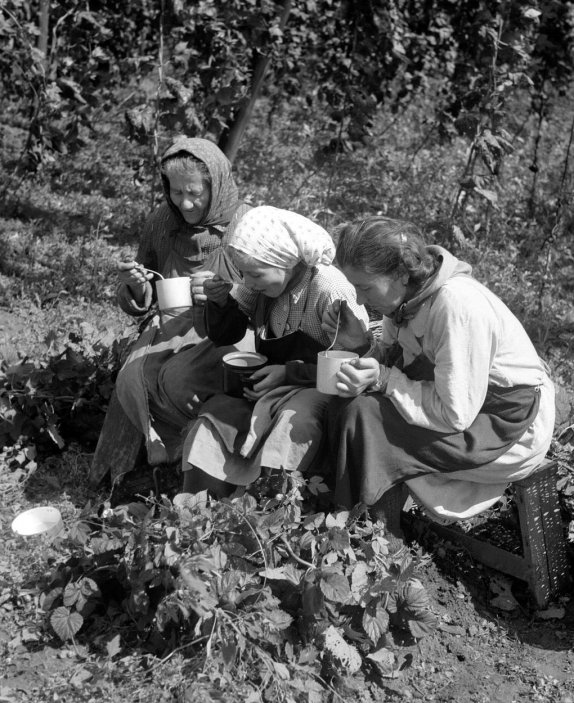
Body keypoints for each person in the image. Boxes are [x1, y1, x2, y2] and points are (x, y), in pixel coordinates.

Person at [322, 216, 555, 548]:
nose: (359, 300)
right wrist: (360, 345)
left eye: (364, 287)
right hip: (466, 409)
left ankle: (381, 542)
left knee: (366, 417)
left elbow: (454, 413)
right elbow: (396, 362)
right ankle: (355, 520)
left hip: (508, 426)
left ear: (401, 274)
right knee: (348, 401)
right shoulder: (404, 300)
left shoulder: (455, 305)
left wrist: (384, 378)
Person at [91, 136, 254, 488]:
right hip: (169, 325)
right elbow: (147, 291)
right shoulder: (162, 221)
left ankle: (197, 454)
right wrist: (136, 284)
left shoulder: (248, 225)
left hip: (229, 331)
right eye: (177, 192)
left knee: (179, 380)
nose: (186, 202)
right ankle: (144, 458)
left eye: (195, 192)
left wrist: (224, 292)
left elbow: (270, 295)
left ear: (217, 184)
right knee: (132, 377)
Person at [180, 206, 369, 497]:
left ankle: (268, 505)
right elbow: (227, 334)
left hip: (319, 386)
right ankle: (201, 504)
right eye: (243, 273)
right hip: (273, 382)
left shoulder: (329, 289)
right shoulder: (257, 287)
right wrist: (220, 303)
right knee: (217, 413)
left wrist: (289, 374)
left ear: (287, 263)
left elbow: (355, 361)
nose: (247, 281)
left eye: (255, 274)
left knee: (294, 420)